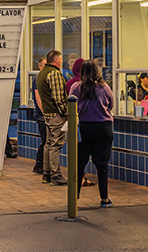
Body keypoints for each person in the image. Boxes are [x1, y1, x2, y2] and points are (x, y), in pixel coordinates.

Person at [69, 60, 115, 207]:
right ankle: (104, 198)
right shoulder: (104, 87)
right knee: (102, 165)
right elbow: (111, 103)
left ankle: (74, 199)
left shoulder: (76, 87)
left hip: (85, 128)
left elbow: (71, 104)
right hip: (104, 128)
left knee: (80, 164)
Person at [36, 49, 68, 186]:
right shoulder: (54, 73)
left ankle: (46, 174)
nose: (62, 62)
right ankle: (55, 175)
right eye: (60, 60)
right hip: (56, 114)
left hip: (47, 114)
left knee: (48, 144)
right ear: (56, 60)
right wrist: (66, 112)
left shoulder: (41, 73)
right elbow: (58, 97)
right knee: (55, 144)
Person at [31, 57, 47, 175]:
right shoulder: (38, 79)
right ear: (40, 67)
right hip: (41, 115)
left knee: (46, 140)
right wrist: (45, 113)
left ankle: (41, 165)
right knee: (45, 140)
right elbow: (38, 98)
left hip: (44, 114)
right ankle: (39, 165)